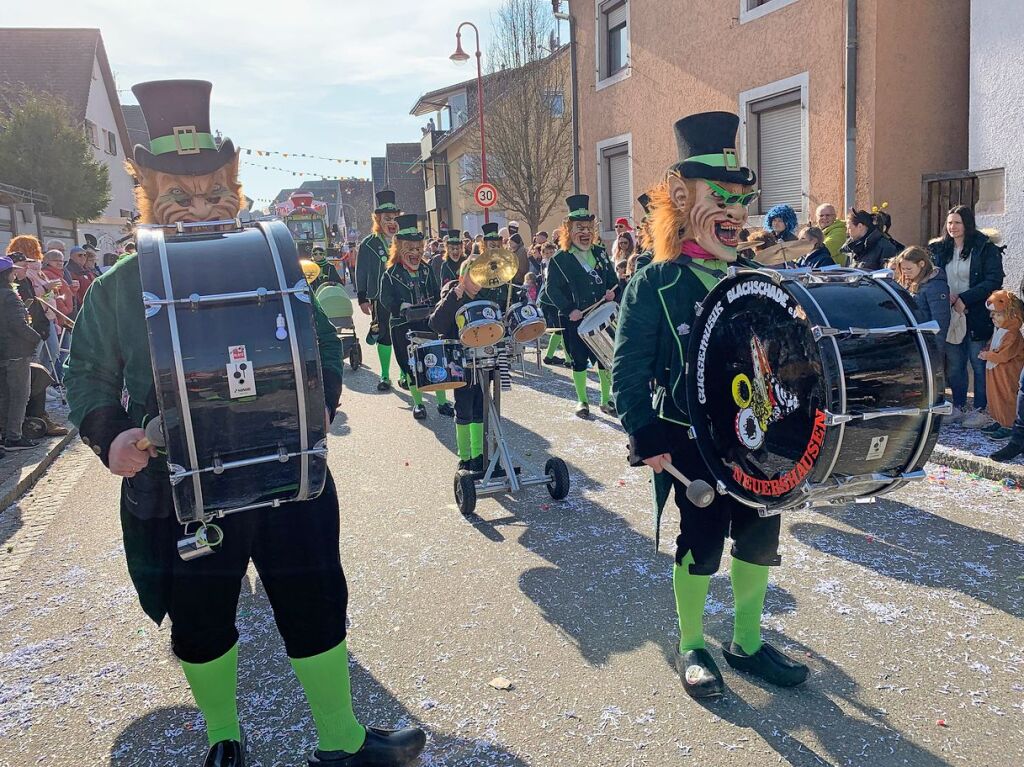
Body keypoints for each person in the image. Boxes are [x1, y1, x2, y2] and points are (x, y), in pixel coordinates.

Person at [63, 79, 425, 767]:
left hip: (287, 470)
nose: (201, 208)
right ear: (150, 192)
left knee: (315, 595)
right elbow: (86, 375)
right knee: (201, 619)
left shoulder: (273, 259)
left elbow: (317, 338)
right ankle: (225, 740)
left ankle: (342, 740)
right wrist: (109, 433)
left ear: (232, 189)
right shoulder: (120, 285)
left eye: (213, 195)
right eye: (182, 196)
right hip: (185, 484)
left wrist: (322, 402)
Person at [613, 110, 809, 701]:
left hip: (756, 439)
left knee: (758, 539)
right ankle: (692, 642)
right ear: (680, 198)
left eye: (741, 201)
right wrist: (644, 432)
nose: (735, 214)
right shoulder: (656, 282)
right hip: (688, 436)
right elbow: (629, 366)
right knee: (700, 543)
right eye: (719, 199)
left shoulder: (754, 276)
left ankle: (746, 642)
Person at [429, 258, 524, 473]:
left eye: (481, 276)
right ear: (462, 277)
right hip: (461, 363)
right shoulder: (451, 294)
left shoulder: (486, 297)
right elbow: (436, 323)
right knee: (464, 409)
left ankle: (480, 455)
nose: (478, 281)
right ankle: (465, 457)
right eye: (473, 276)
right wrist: (455, 296)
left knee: (482, 408)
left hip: (485, 360)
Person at [541, 194, 618, 418]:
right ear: (569, 230)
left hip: (600, 315)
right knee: (579, 361)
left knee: (605, 359)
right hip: (574, 319)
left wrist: (612, 292)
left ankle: (606, 400)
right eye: (579, 227)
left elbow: (613, 280)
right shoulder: (559, 259)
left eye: (588, 227)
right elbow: (550, 290)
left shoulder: (600, 253)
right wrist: (568, 310)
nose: (585, 232)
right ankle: (582, 401)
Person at [928, 205, 1005, 426]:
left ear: (967, 224)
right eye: (950, 222)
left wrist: (965, 298)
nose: (952, 227)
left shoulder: (984, 248)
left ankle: (981, 408)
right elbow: (932, 275)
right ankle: (958, 406)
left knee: (977, 361)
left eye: (957, 222)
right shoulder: (939, 248)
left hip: (976, 312)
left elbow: (993, 280)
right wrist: (946, 295)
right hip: (949, 312)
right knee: (954, 362)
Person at [378, 213, 451, 420]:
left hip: (427, 322)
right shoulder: (391, 274)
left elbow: (437, 294)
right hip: (403, 325)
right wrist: (401, 305)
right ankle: (418, 403)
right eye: (410, 249)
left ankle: (442, 402)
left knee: (435, 360)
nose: (415, 253)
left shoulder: (427, 270)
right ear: (400, 248)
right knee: (410, 365)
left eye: (418, 249)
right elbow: (386, 299)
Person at [357, 191, 402, 392]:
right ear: (378, 219)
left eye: (395, 218)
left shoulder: (404, 241)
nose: (392, 223)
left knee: (402, 334)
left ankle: (405, 374)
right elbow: (362, 271)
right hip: (378, 296)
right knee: (383, 334)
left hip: (403, 296)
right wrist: (362, 297)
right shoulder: (368, 243)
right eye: (387, 219)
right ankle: (385, 375)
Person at [0, 254, 43, 453]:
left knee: (5, 396)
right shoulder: (8, 295)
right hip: (16, 351)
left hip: (3, 352)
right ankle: (14, 437)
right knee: (19, 395)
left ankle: (4, 434)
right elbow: (18, 325)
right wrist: (36, 337)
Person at [977, 291, 1024, 439]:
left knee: (1006, 397)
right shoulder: (1000, 330)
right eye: (993, 315)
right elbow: (993, 345)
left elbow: (1004, 355)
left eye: (998, 315)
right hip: (995, 372)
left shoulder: (1012, 334)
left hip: (1006, 374)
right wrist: (987, 348)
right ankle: (1000, 420)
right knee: (995, 397)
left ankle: (1009, 424)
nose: (993, 318)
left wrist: (988, 355)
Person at [889, 246, 950, 341]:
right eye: (903, 269)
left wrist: (935, 350)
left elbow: (940, 322)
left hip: (926, 342)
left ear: (921, 264)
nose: (905, 273)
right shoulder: (910, 282)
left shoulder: (936, 286)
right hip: (913, 339)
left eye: (909, 269)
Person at [538, 241, 565, 366]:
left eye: (551, 252)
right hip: (550, 300)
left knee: (562, 329)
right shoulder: (548, 264)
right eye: (547, 253)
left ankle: (553, 356)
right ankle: (550, 356)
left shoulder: (551, 263)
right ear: (543, 254)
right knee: (561, 329)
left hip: (549, 299)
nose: (549, 254)